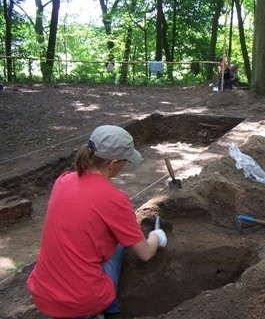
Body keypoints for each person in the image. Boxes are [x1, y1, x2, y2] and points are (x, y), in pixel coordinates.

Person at [27, 125, 168, 319]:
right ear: (113, 163)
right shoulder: (115, 199)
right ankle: (109, 311)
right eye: (125, 161)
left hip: (42, 293)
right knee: (120, 243)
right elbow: (144, 253)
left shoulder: (63, 180)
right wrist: (155, 237)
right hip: (82, 300)